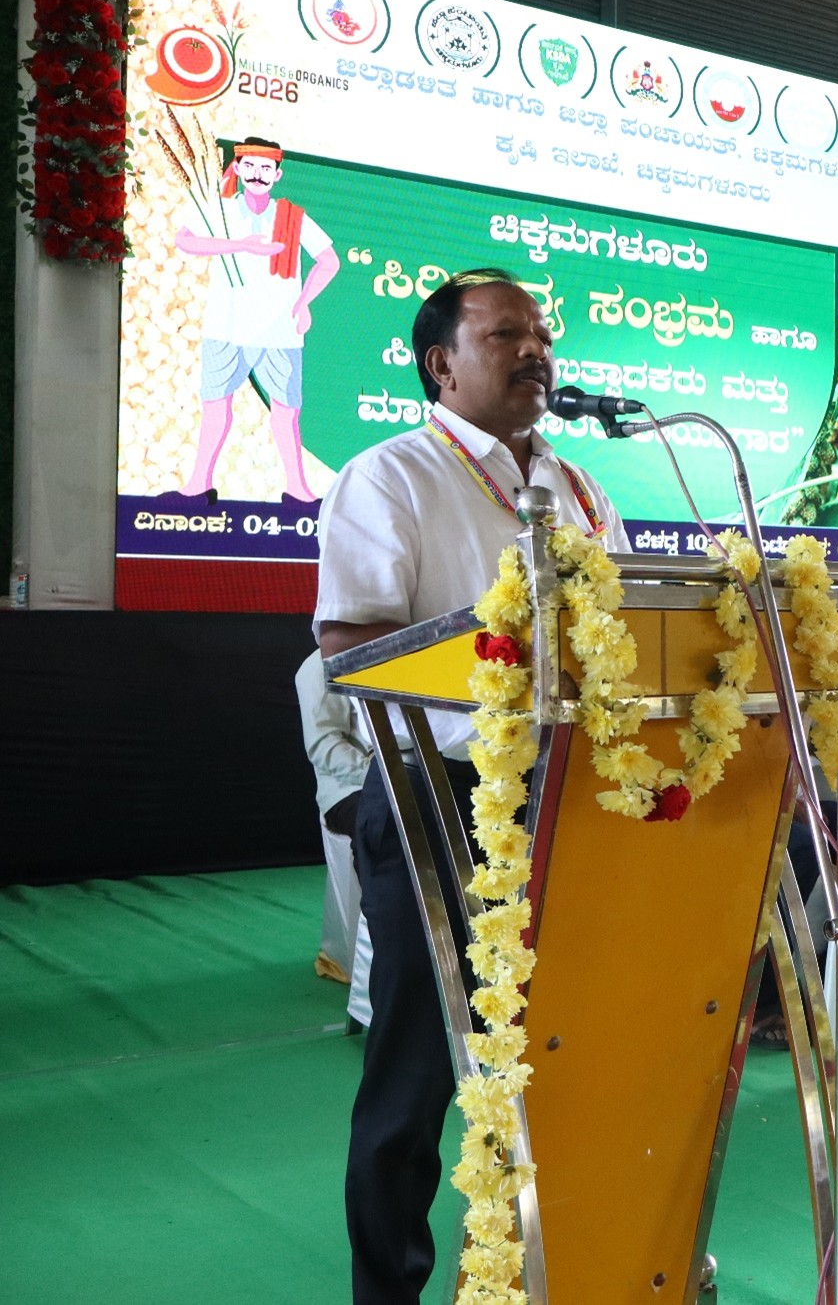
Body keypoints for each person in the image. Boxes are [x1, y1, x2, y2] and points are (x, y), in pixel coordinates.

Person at [315, 269, 628, 1305]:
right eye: (504, 335)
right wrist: (495, 672)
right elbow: (350, 644)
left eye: (541, 334)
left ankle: (553, 1273)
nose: (535, 350)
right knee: (414, 1078)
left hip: (572, 800)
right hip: (435, 797)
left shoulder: (581, 488)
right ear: (440, 363)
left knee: (561, 1058)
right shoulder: (389, 476)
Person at [173, 137, 340, 505]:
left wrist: (304, 303)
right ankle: (198, 483)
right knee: (215, 407)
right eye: (249, 166)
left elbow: (329, 261)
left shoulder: (291, 216)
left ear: (277, 174)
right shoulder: (221, 211)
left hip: (279, 330)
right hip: (226, 326)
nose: (257, 174)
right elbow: (185, 241)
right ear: (237, 168)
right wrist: (241, 246)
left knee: (286, 412)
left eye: (266, 168)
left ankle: (298, 489)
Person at [296, 649, 375, 1028]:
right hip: (349, 789)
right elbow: (323, 745)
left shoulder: (409, 648)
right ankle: (382, 959)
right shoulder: (318, 666)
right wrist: (379, 775)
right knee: (383, 828)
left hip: (406, 776)